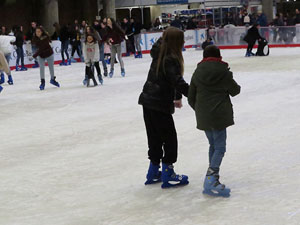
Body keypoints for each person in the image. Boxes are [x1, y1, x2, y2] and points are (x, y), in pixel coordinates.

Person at [138, 27, 189, 188]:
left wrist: (177, 97)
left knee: (154, 137)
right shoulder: (169, 58)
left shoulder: (160, 52)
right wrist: (195, 94)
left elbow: (167, 79)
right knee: (169, 139)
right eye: (182, 40)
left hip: (148, 101)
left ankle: (153, 172)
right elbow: (177, 81)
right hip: (158, 103)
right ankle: (168, 172)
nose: (184, 43)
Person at [188, 45, 241, 197]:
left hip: (204, 116)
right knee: (220, 148)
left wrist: (201, 110)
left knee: (213, 145)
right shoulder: (223, 71)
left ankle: (212, 177)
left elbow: (191, 96)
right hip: (219, 116)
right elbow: (235, 91)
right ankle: (211, 178)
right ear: (219, 56)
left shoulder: (198, 72)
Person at [33, 26, 60, 91]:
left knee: (51, 68)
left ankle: (53, 79)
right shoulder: (35, 38)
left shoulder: (45, 37)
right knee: (41, 68)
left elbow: (42, 47)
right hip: (41, 55)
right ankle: (42, 82)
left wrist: (35, 55)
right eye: (36, 32)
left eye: (39, 31)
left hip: (49, 54)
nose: (37, 33)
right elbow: (37, 46)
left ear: (42, 32)